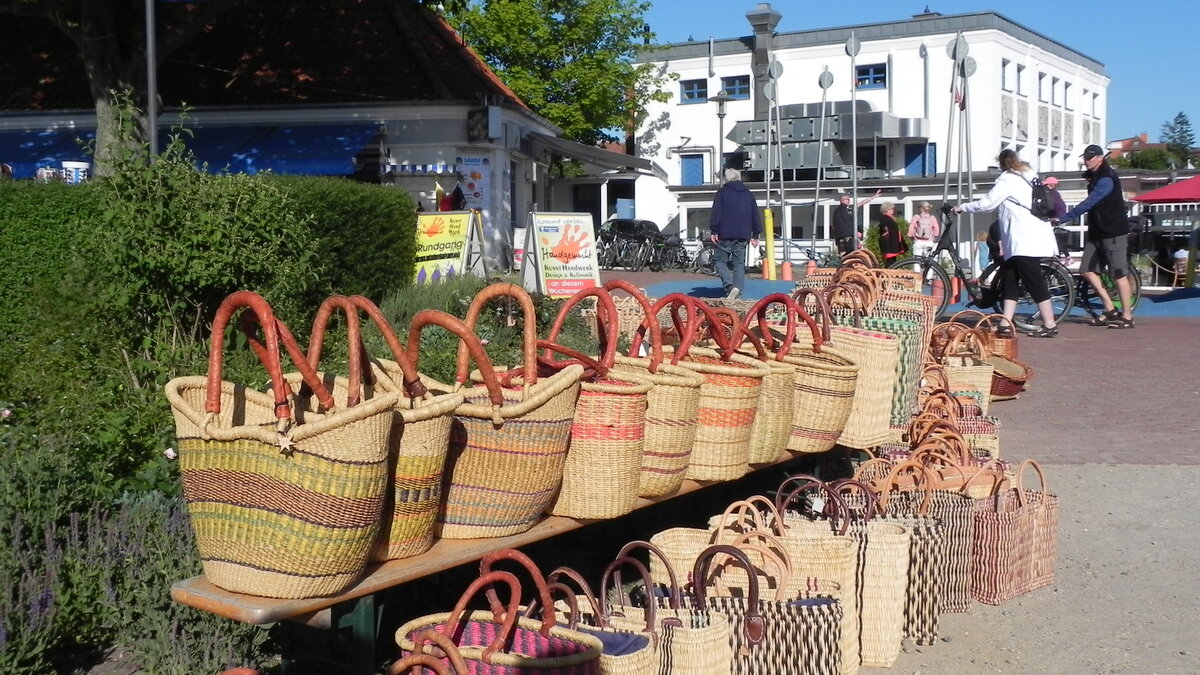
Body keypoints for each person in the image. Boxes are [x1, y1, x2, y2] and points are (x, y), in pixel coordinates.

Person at [954, 148, 1061, 337]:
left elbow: (987, 204)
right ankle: (1005, 322)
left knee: (1033, 281)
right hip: (1023, 239)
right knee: (1009, 278)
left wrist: (962, 207)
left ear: (1002, 164)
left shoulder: (1008, 180)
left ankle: (1050, 324)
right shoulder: (1028, 176)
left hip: (1024, 241)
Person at [1054, 144, 1135, 329]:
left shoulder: (1107, 178)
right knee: (1086, 270)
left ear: (1100, 158)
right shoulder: (1095, 176)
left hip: (1113, 231)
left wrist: (1064, 218)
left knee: (1118, 274)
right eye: (1085, 157)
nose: (1087, 160)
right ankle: (1109, 308)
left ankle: (1127, 316)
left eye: (1090, 157)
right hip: (1097, 232)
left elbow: (1090, 202)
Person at [709, 167, 762, 299]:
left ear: (726, 179)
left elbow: (716, 212)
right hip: (743, 235)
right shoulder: (748, 194)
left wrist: (714, 230)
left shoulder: (722, 193)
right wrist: (755, 234)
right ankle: (738, 293)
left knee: (719, 261)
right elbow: (755, 214)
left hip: (724, 234)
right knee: (739, 264)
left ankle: (729, 285)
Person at [831, 189, 883, 256]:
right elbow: (846, 221)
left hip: (839, 238)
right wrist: (855, 232)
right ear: (843, 201)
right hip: (849, 237)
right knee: (854, 254)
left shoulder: (836, 211)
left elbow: (835, 225)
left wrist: (874, 196)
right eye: (848, 200)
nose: (849, 201)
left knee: (843, 256)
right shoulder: (848, 209)